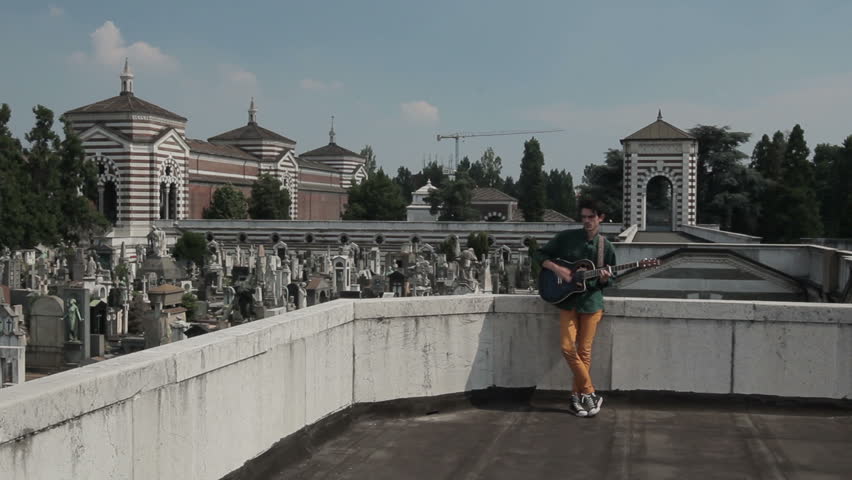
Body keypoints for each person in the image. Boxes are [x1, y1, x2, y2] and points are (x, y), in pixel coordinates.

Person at [533, 198, 616, 418]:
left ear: (601, 218)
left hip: (591, 303)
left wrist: (605, 277)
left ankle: (575, 398)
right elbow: (539, 254)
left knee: (584, 352)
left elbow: (609, 282)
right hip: (567, 301)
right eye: (584, 217)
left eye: (591, 217)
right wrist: (557, 269)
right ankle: (590, 393)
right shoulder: (566, 238)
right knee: (567, 348)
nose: (587, 221)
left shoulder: (605, 247)